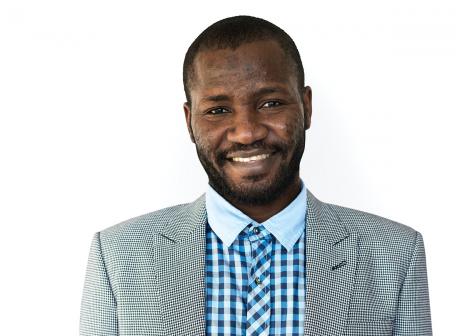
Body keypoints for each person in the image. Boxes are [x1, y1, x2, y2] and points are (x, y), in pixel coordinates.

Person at [80, 15, 432, 336]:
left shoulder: (395, 254)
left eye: (270, 103)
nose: (247, 132)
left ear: (306, 107)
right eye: (218, 110)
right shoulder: (117, 257)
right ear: (189, 121)